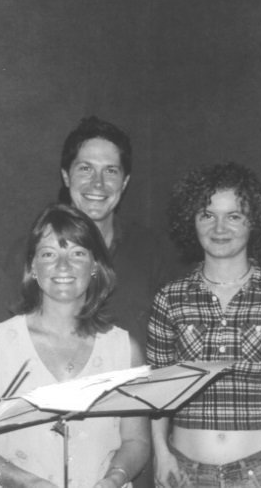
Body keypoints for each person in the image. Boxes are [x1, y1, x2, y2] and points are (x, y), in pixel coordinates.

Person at [147, 163, 261, 488]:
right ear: (191, 221)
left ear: (254, 222)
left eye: (234, 216)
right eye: (207, 215)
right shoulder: (169, 298)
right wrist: (161, 452)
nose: (219, 227)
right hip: (184, 473)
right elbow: (158, 388)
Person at [0, 203, 150, 488]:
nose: (63, 265)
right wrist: (25, 482)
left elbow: (137, 440)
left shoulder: (124, 350)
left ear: (95, 265)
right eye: (49, 254)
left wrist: (114, 479)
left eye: (77, 253)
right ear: (33, 267)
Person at [59, 115, 172, 351]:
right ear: (66, 176)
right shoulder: (33, 252)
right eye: (85, 169)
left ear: (125, 182)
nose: (98, 183)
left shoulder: (151, 252)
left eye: (110, 171)